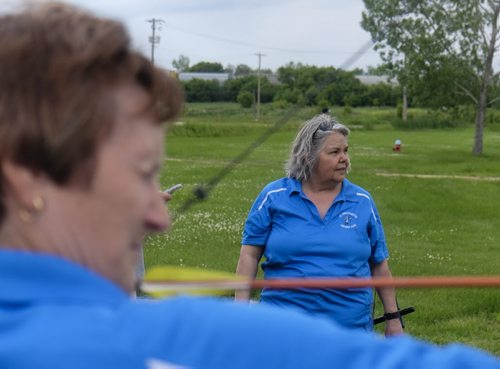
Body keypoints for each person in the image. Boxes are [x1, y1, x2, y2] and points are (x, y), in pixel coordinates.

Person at [0, 3, 498, 369]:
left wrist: (391, 319)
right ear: (24, 179)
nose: (159, 216)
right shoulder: (137, 343)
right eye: (140, 173)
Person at [236, 113, 404, 336]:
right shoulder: (273, 196)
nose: (344, 158)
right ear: (308, 157)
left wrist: (393, 318)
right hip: (282, 330)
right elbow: (249, 256)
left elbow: (379, 265)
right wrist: (239, 314)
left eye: (346, 150)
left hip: (349, 332)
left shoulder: (362, 201)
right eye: (334, 152)